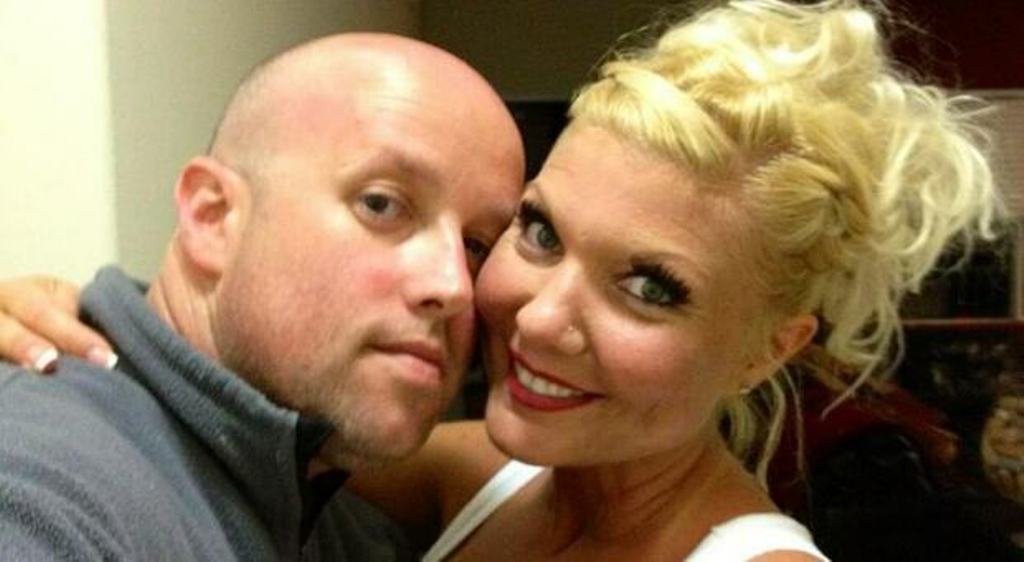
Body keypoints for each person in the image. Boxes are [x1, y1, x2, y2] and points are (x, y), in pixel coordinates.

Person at [0, 0, 1001, 560]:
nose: (540, 315)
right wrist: (83, 321)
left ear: (766, 348)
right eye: (538, 232)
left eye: (650, 286)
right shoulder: (469, 473)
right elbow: (222, 393)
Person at [0, 33, 524, 560]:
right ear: (212, 216)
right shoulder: (44, 488)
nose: (454, 286)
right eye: (381, 205)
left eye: (477, 245)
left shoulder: (338, 519)